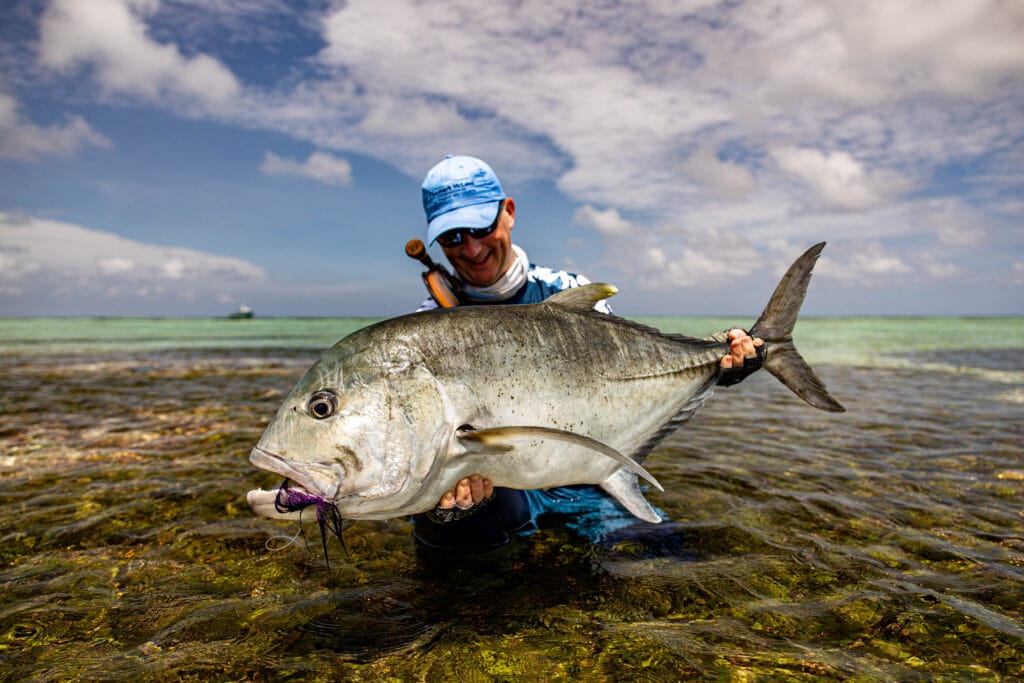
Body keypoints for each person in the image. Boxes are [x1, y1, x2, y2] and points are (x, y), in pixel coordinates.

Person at [411, 155, 764, 551]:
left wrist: (720, 361)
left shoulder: (564, 290)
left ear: (508, 213)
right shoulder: (427, 327)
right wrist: (440, 509)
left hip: (592, 487)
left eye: (481, 226)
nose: (472, 248)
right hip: (508, 499)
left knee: (666, 560)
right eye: (452, 237)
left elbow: (630, 373)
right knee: (442, 542)